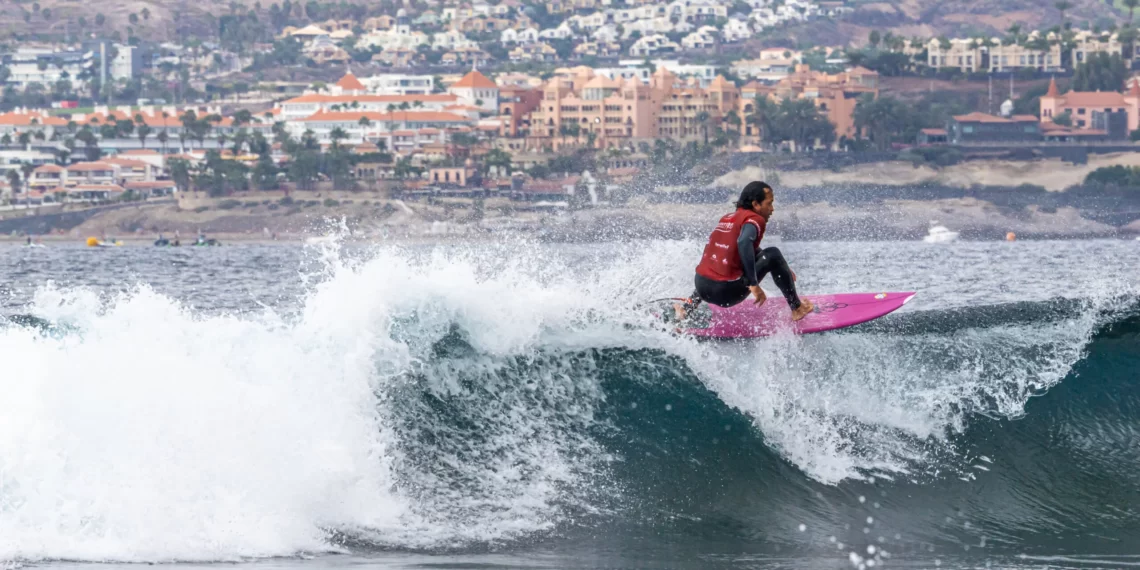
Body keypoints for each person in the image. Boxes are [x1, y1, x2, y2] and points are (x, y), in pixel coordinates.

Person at [679, 181, 814, 321]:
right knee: (773, 253)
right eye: (769, 203)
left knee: (717, 261)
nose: (772, 209)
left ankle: (686, 309)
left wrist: (781, 266)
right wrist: (753, 283)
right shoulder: (755, 219)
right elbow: (744, 242)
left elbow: (743, 248)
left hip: (701, 287)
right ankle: (797, 309)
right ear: (756, 204)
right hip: (725, 294)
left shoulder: (728, 218)